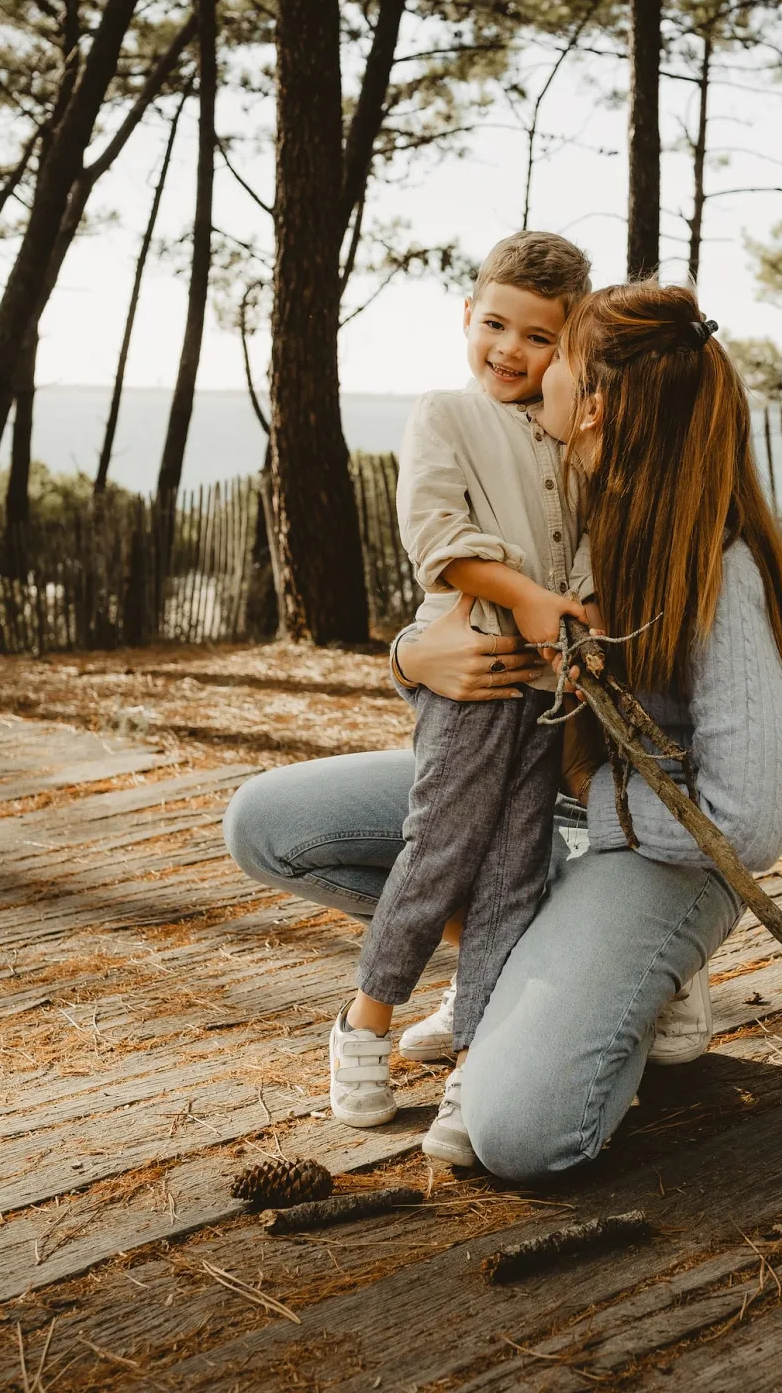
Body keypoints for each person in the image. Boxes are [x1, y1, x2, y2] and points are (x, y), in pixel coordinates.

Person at [224, 282, 782, 1178]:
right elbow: (466, 601)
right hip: (533, 787)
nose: (536, 365)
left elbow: (751, 824)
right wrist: (411, 658)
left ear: (597, 401)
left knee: (518, 1136)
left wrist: (590, 796)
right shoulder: (561, 486)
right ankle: (550, 937)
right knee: (269, 823)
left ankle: (626, 966)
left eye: (560, 354)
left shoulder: (717, 570)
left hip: (660, 849)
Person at [328, 231, 596, 1161]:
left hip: (545, 693)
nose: (511, 352)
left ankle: (473, 1069)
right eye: (496, 326)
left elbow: (592, 557)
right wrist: (527, 598)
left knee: (514, 871)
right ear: (468, 318)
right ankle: (363, 1025)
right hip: (473, 674)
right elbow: (437, 533)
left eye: (541, 340)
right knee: (442, 849)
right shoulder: (445, 414)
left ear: (572, 349)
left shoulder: (574, 437)